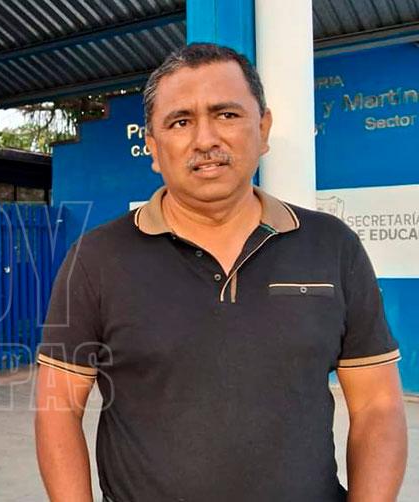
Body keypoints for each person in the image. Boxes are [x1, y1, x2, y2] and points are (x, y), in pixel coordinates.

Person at [34, 43, 407, 502]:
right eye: (180, 122)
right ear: (152, 147)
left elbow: (377, 405)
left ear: (263, 129)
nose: (205, 140)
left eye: (226, 114)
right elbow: (58, 410)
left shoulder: (332, 246)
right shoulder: (96, 259)